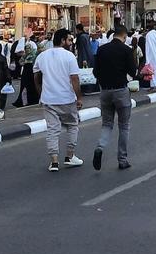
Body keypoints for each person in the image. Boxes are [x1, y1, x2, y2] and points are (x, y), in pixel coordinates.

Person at [35, 28, 84, 172]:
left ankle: (54, 161)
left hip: (48, 99)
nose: (70, 42)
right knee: (72, 125)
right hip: (66, 98)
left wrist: (41, 93)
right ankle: (69, 156)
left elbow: (36, 76)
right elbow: (74, 79)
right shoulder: (69, 57)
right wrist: (79, 97)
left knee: (52, 129)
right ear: (62, 40)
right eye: (69, 40)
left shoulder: (42, 56)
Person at [92, 22, 138, 171]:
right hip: (121, 91)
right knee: (124, 126)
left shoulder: (102, 49)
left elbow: (95, 72)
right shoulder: (126, 50)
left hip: (105, 91)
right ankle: (122, 159)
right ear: (124, 36)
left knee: (107, 124)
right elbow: (133, 72)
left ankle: (100, 147)